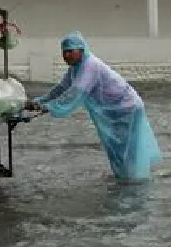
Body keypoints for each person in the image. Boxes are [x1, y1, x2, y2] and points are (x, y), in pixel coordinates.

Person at [26, 32, 162, 181]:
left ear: (81, 50)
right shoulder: (76, 68)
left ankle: (135, 179)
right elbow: (61, 88)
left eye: (70, 51)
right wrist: (40, 101)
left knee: (128, 148)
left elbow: (75, 93)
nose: (66, 55)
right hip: (115, 110)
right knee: (115, 146)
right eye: (64, 52)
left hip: (127, 108)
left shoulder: (90, 66)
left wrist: (49, 107)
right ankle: (124, 177)